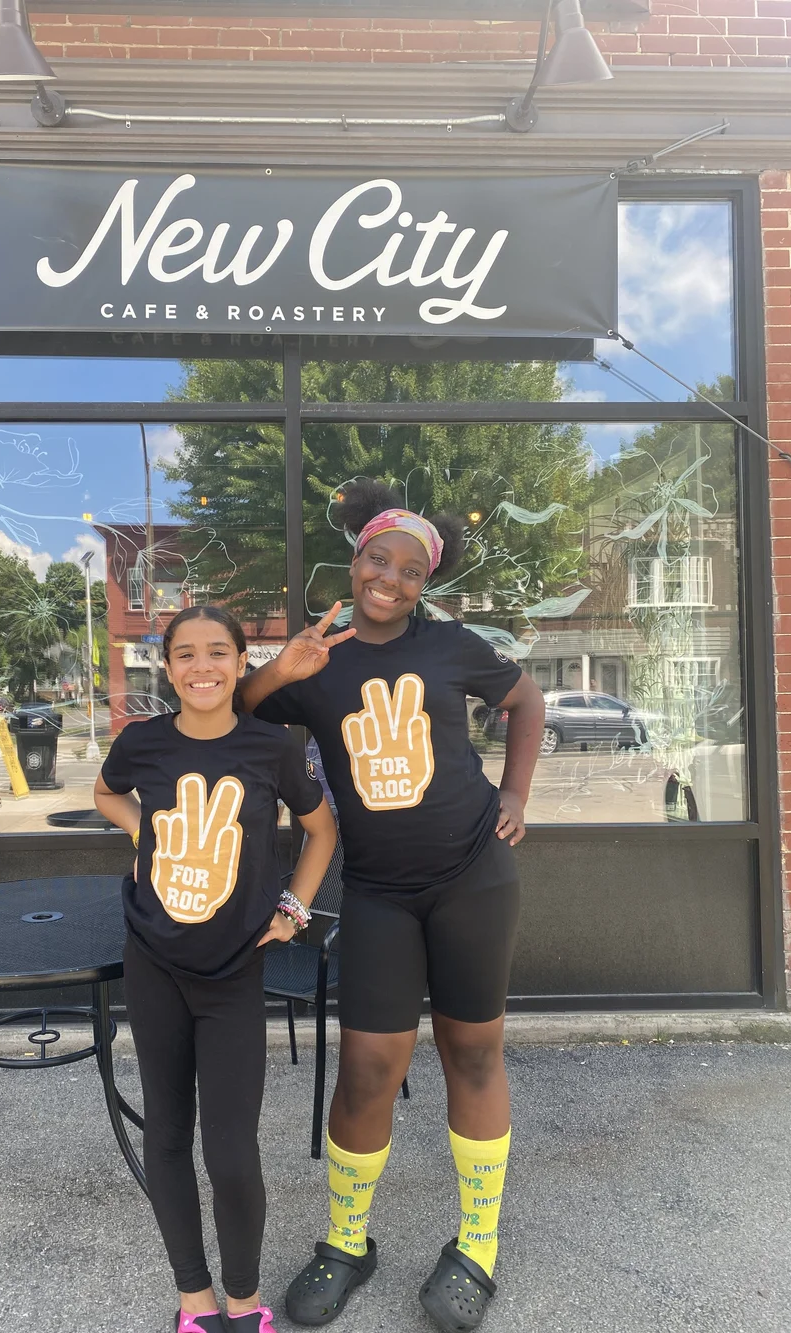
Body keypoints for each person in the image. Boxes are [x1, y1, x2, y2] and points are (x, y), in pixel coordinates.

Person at [239, 480, 546, 1333]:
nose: (391, 577)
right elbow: (238, 713)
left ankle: (477, 1244)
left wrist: (516, 792)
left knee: (472, 1053)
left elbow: (526, 700)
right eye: (380, 559)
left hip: (474, 876)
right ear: (356, 559)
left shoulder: (452, 644)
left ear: (425, 582)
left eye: (412, 569)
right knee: (369, 1065)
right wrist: (281, 668)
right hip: (376, 889)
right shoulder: (319, 659)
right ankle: (347, 1241)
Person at [94, 605, 338, 1333]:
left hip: (234, 970)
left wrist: (295, 907)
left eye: (218, 652)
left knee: (230, 1151)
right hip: (154, 961)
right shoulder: (142, 742)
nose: (202, 666)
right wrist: (146, 833)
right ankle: (195, 1300)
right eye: (186, 654)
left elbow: (321, 829)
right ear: (168, 667)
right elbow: (106, 792)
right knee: (167, 1134)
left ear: (239, 662)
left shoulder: (271, 746)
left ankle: (243, 1300)